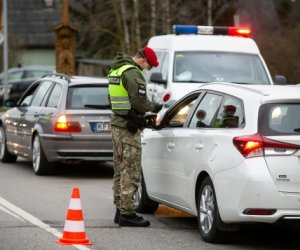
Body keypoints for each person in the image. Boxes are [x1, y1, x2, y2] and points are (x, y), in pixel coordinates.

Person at [108, 47, 163, 227]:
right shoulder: (133, 73)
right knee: (130, 171)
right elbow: (139, 102)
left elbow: (115, 99)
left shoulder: (117, 69)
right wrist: (155, 107)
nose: (148, 69)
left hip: (117, 123)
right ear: (143, 59)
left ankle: (119, 209)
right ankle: (127, 213)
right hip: (127, 128)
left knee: (119, 169)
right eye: (149, 65)